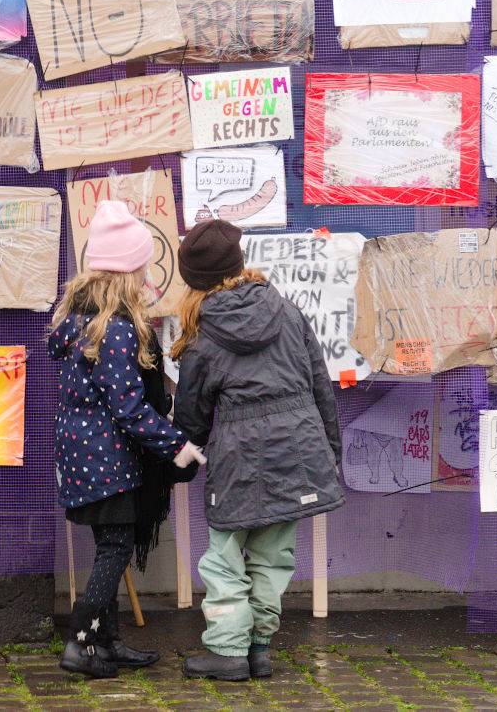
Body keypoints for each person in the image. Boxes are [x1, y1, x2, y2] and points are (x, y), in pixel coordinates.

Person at [171, 220, 345, 682]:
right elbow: (320, 387)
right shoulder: (288, 312)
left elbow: (191, 418)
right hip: (299, 452)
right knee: (273, 555)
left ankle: (228, 651)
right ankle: (259, 648)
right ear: (239, 263)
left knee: (225, 556)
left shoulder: (201, 336)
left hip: (238, 461)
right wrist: (328, 455)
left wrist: (179, 467)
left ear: (193, 282)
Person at [48, 200, 206, 679]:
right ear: (125, 272)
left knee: (109, 548)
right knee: (116, 548)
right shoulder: (115, 329)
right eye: (141, 267)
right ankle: (81, 643)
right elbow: (129, 407)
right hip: (107, 461)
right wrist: (176, 444)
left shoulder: (81, 321)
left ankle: (108, 641)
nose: (146, 276)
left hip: (84, 457)